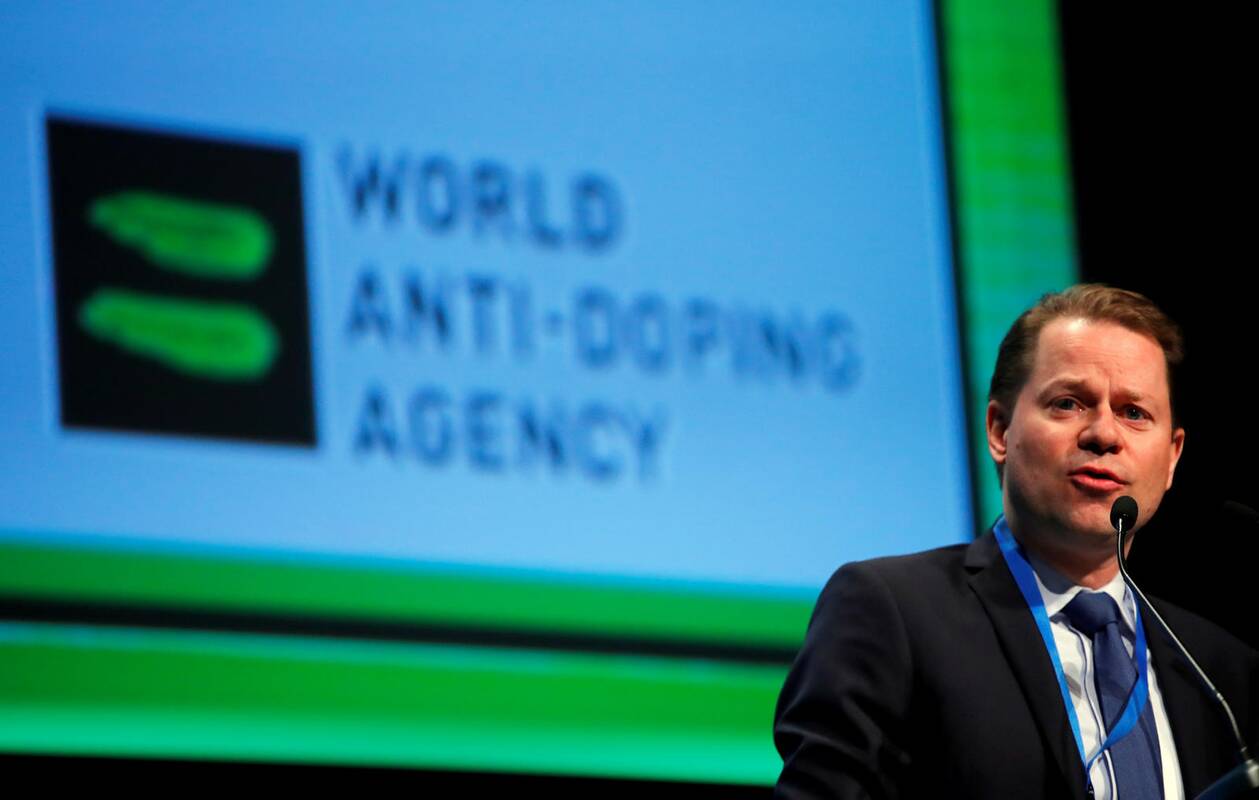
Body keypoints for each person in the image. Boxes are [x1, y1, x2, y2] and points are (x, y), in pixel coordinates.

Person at [773, 285, 1258, 799]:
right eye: (1069, 403)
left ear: (1172, 457)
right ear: (1000, 430)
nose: (1104, 435)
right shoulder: (893, 612)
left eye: (1134, 412)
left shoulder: (1220, 672)